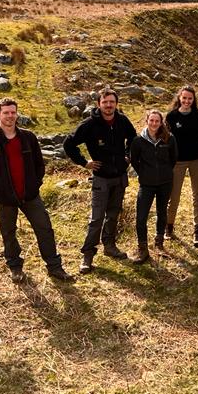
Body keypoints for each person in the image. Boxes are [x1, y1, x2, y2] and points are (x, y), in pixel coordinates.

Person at [0, 98, 73, 284]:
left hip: (30, 196)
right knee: (8, 232)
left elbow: (39, 165)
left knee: (45, 228)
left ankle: (54, 267)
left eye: (13, 112)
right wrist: (0, 193)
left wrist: (34, 185)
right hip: (6, 199)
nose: (10, 116)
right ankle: (15, 268)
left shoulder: (28, 138)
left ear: (17, 114)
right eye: (6, 112)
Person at [63, 88, 137, 273]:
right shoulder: (89, 125)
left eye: (112, 102)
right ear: (99, 104)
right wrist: (84, 162)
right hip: (101, 179)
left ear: (116, 104)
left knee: (113, 214)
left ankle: (110, 247)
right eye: (105, 102)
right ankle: (88, 255)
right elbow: (68, 143)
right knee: (96, 219)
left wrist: (128, 156)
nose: (109, 105)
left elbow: (133, 139)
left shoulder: (122, 121)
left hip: (120, 177)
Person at [129, 109, 178, 263]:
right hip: (147, 184)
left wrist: (164, 172)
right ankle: (142, 249)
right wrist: (144, 173)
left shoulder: (169, 139)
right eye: (151, 120)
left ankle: (159, 244)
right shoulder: (138, 141)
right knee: (141, 216)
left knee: (161, 212)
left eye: (157, 121)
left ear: (161, 122)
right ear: (147, 121)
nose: (154, 123)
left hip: (165, 183)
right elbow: (134, 160)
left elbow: (173, 159)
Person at [165, 85, 198, 246]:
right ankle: (169, 226)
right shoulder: (171, 116)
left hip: (197, 160)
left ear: (193, 100)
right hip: (177, 161)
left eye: (190, 98)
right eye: (184, 98)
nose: (187, 101)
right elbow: (165, 139)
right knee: (173, 196)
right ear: (179, 98)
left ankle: (197, 229)